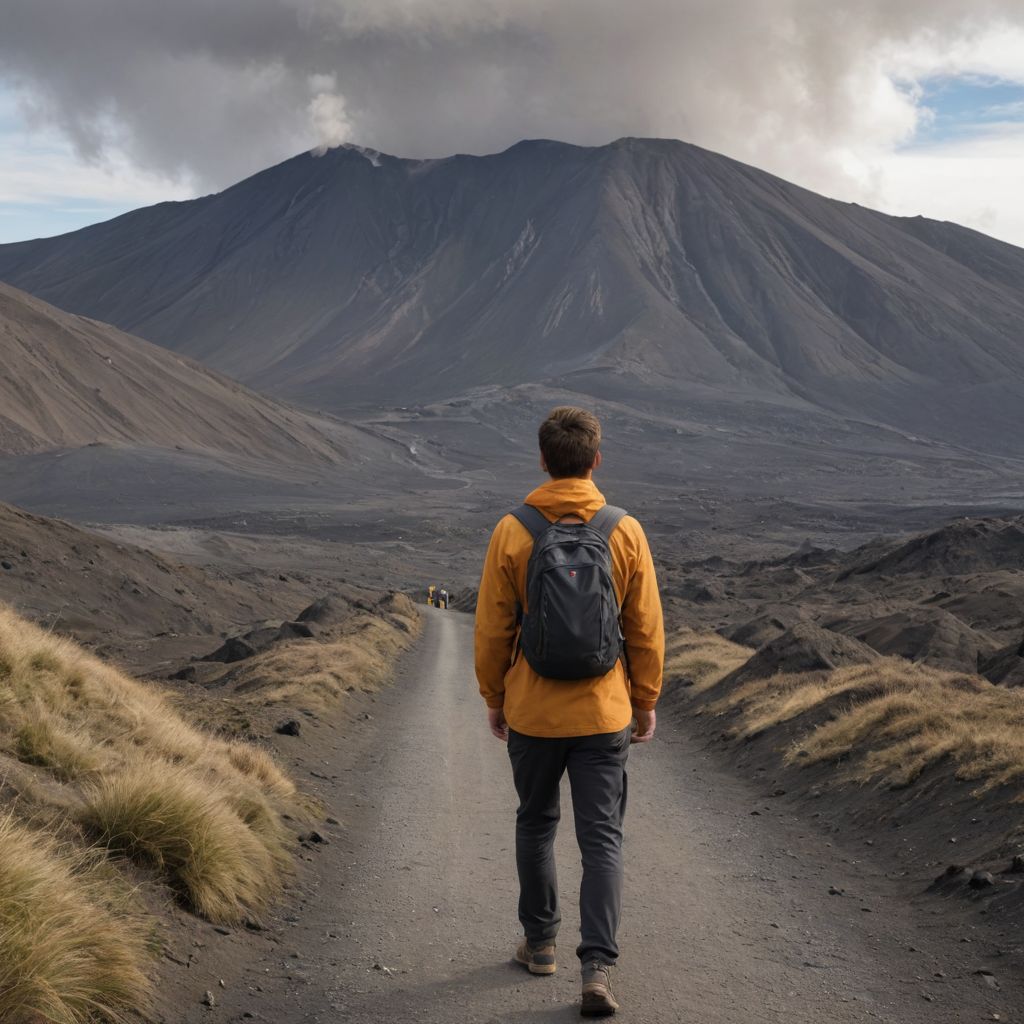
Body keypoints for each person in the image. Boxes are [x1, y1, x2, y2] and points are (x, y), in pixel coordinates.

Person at [475, 406, 664, 1018]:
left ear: (542, 459)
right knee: (601, 838)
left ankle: (541, 944)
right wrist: (645, 701)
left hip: (532, 713)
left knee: (535, 823)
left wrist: (494, 697)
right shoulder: (624, 530)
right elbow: (644, 629)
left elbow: (492, 628)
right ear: (596, 460)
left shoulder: (513, 529)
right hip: (603, 713)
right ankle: (597, 970)